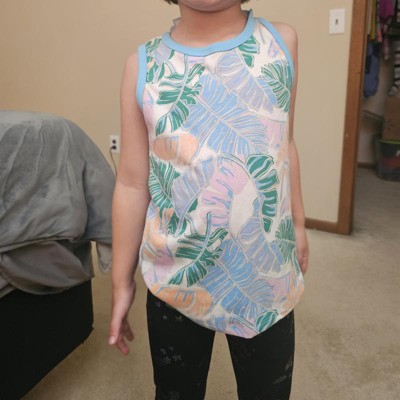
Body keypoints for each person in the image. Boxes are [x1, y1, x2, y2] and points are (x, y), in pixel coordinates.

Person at [109, 0, 309, 399]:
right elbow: (132, 183)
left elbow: (284, 144)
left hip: (264, 278)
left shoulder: (281, 43)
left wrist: (299, 225)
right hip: (176, 278)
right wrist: (120, 281)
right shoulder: (142, 66)